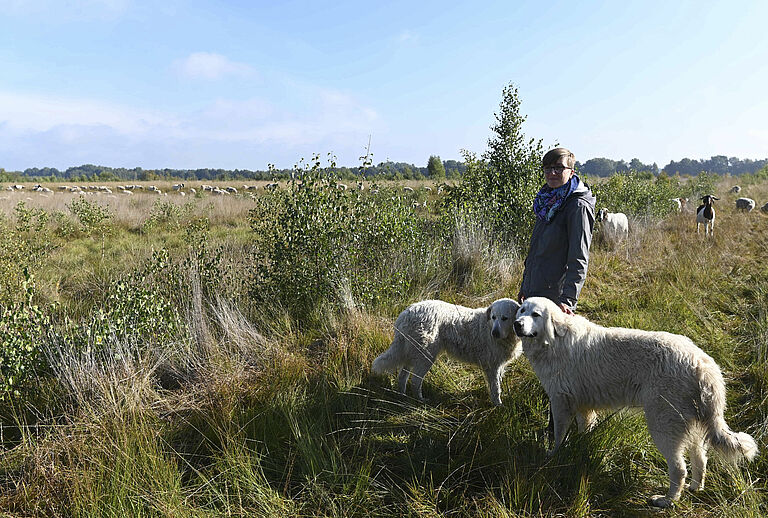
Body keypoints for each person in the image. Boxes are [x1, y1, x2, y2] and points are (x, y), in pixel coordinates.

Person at [518, 148, 595, 314]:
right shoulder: (546, 202)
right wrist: (526, 287)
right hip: (535, 290)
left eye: (559, 168)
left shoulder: (577, 206)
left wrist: (568, 300)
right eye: (547, 168)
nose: (552, 173)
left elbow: (579, 257)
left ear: (571, 172)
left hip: (555, 298)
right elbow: (536, 252)